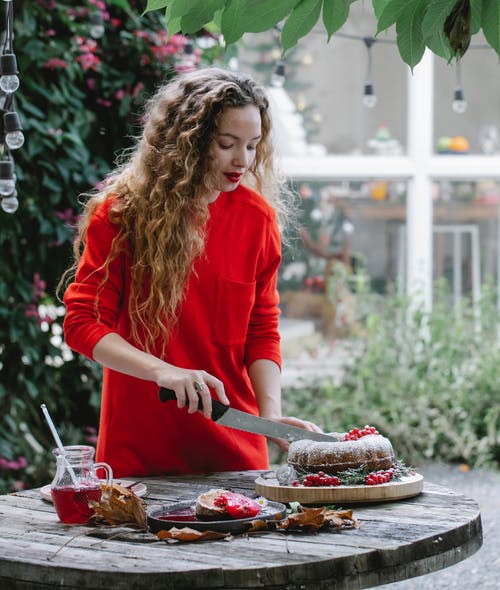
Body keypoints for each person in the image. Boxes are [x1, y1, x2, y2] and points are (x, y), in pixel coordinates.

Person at [61, 67, 322, 478]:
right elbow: (82, 324)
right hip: (139, 454)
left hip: (235, 454)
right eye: (226, 144)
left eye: (253, 146)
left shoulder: (257, 220)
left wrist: (271, 417)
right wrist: (164, 371)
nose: (243, 160)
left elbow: (261, 330)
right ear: (188, 141)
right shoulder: (121, 215)